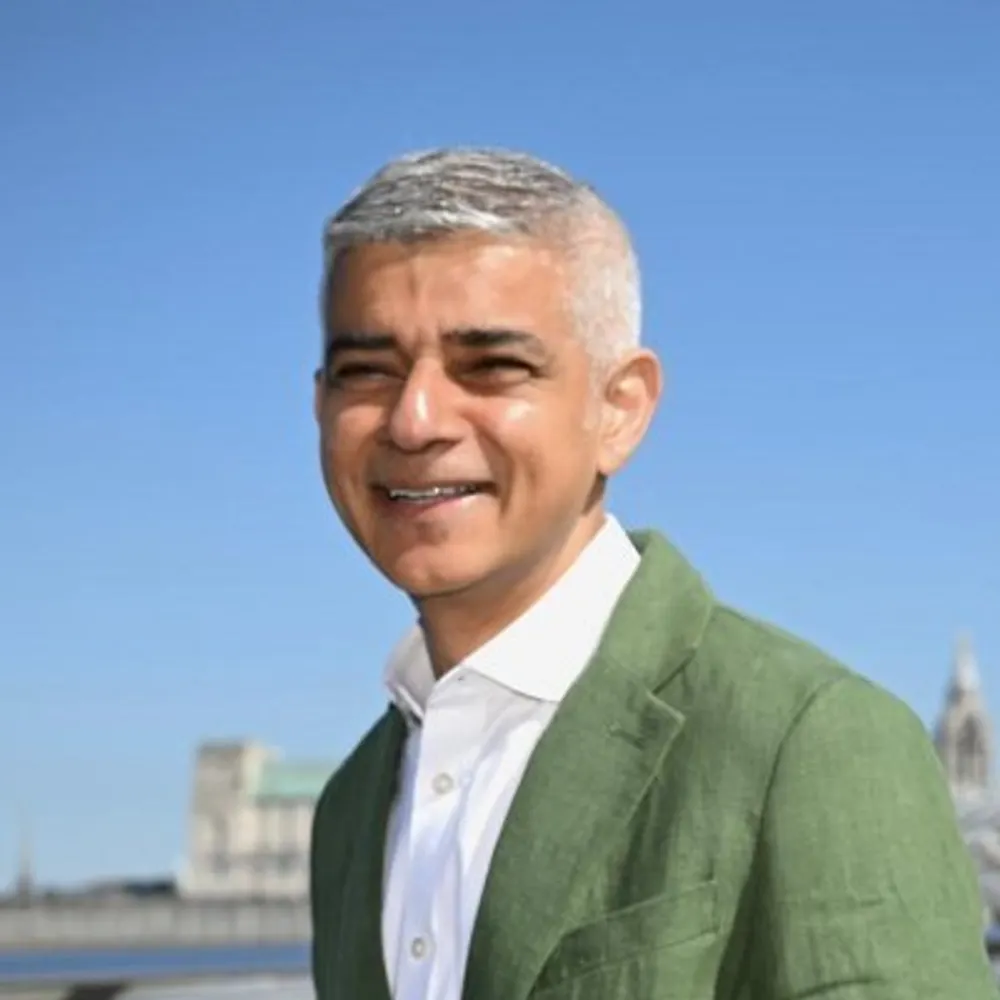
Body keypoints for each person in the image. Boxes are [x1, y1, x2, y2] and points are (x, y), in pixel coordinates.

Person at [309, 147, 995, 1000]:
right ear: (320, 405)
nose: (415, 420)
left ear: (620, 410)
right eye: (367, 372)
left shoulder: (812, 742)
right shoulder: (350, 807)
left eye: (490, 366)